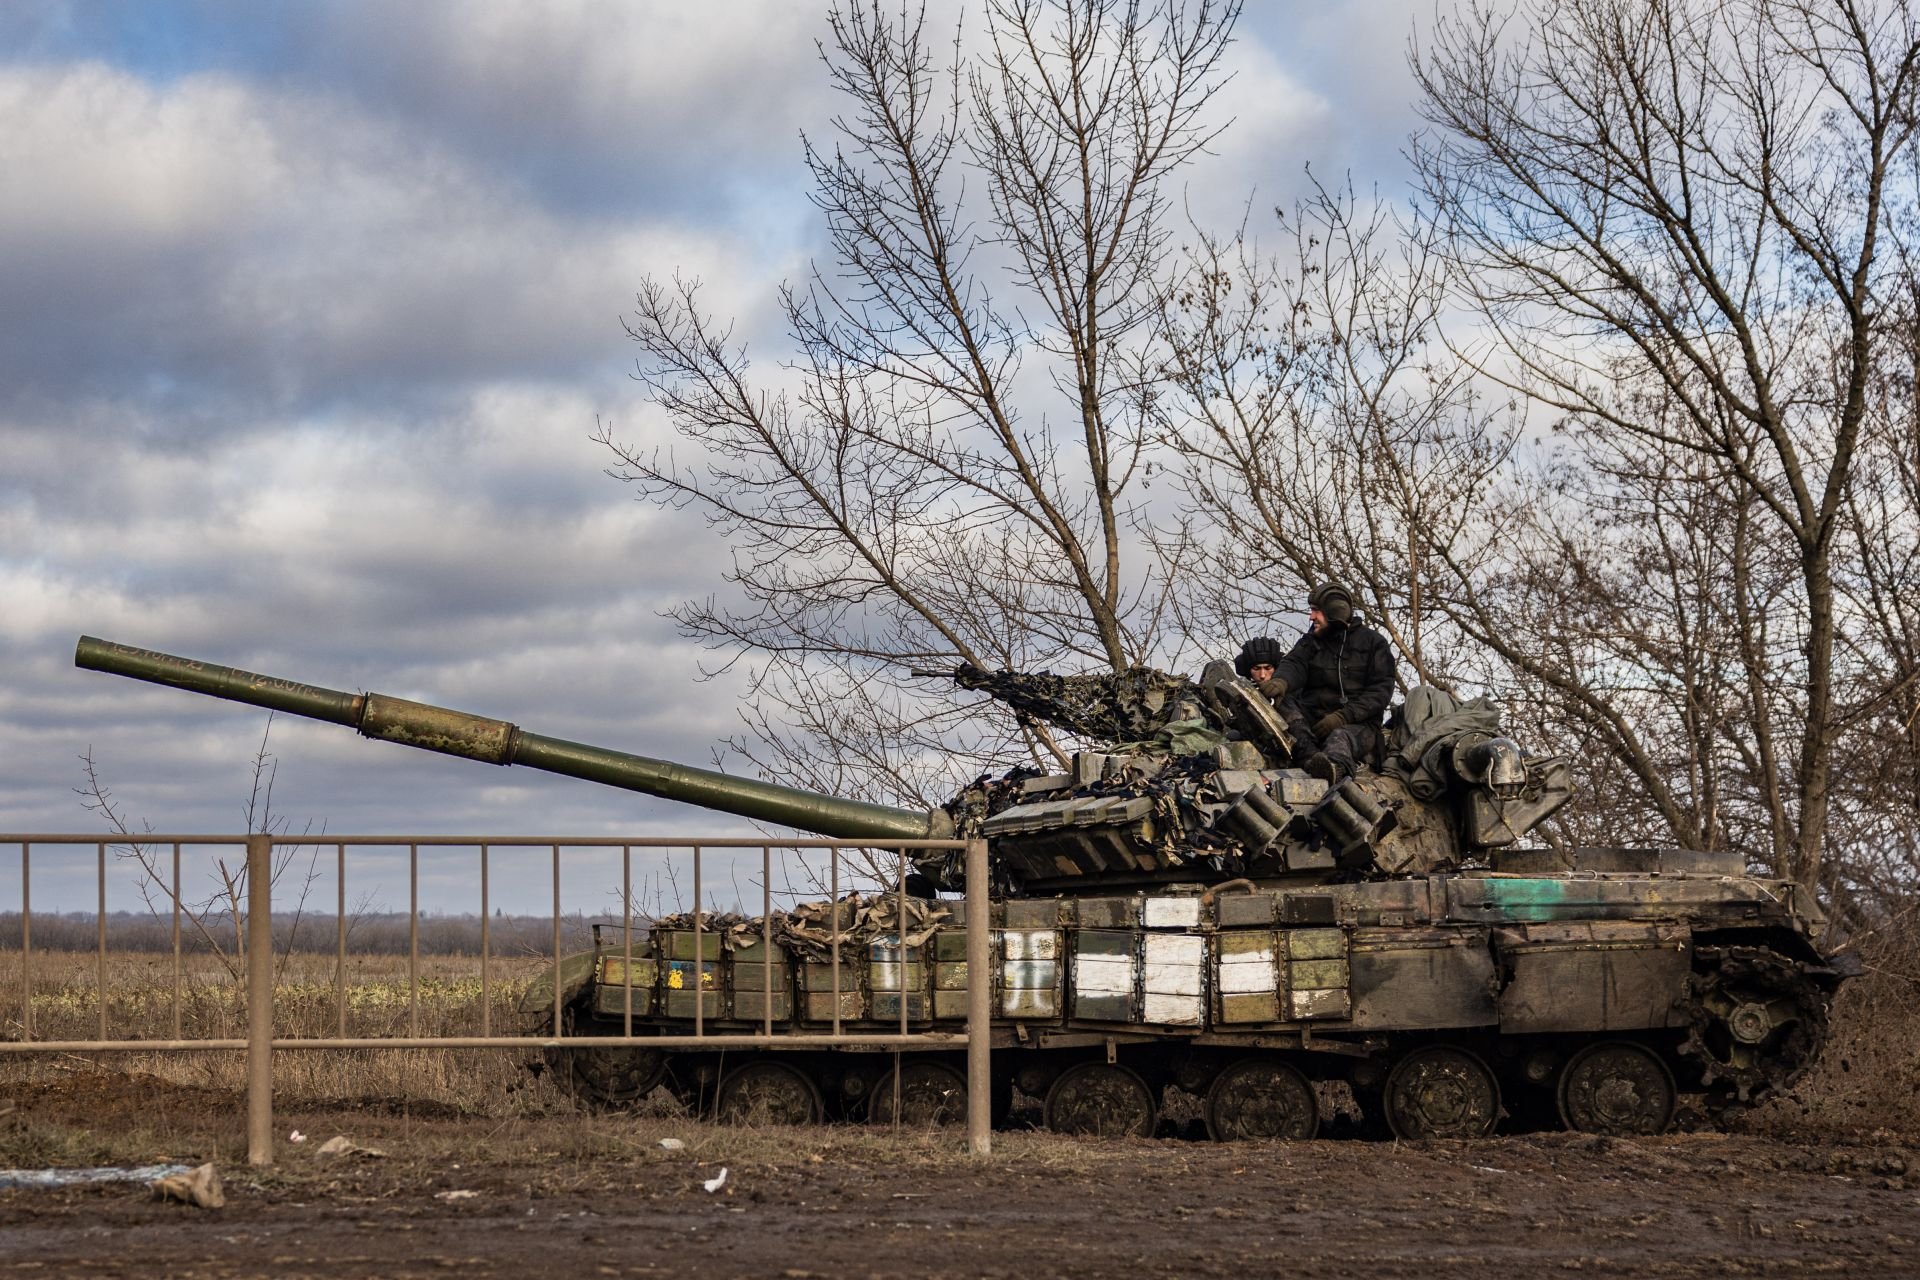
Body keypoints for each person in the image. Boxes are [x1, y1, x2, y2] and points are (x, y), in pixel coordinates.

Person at [1245, 584, 1396, 784]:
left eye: (1317, 611)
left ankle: (1334, 768)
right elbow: (1294, 663)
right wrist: (1281, 681)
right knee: (1285, 702)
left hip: (1357, 725)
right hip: (1315, 720)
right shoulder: (1312, 641)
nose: (1311, 617)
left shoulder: (1373, 644)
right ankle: (1310, 759)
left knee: (1339, 739)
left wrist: (1343, 716)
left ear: (1335, 612)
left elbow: (1380, 692)